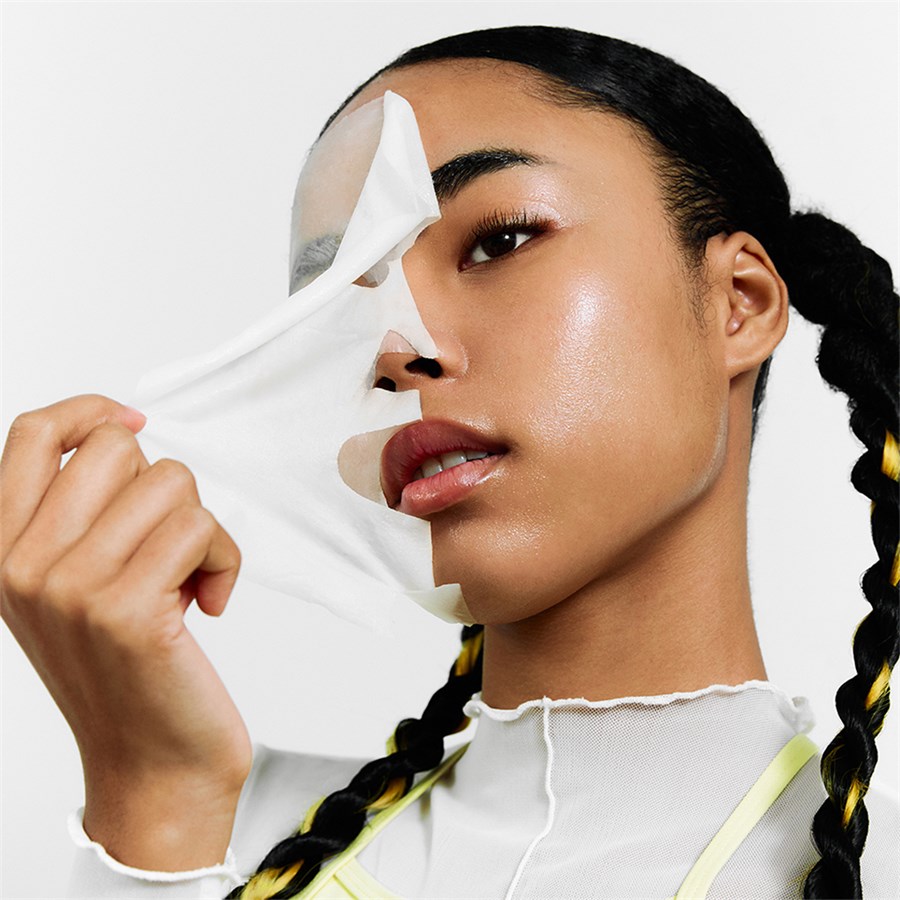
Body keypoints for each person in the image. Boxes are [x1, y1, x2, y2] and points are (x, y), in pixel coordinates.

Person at [1, 23, 897, 900]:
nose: (392, 348)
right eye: (341, 299)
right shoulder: (207, 833)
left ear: (739, 303)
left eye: (499, 241)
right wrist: (153, 799)